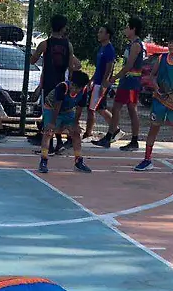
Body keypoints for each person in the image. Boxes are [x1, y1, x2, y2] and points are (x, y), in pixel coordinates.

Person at [134, 32, 173, 178]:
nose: (170, 45)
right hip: (160, 100)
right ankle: (147, 160)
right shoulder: (161, 58)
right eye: (169, 42)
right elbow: (152, 76)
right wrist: (156, 88)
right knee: (153, 129)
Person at [94, 17, 144, 151]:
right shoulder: (130, 44)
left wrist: (114, 78)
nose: (125, 30)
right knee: (117, 108)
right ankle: (109, 137)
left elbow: (129, 66)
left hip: (131, 82)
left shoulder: (136, 45)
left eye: (127, 27)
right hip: (126, 82)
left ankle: (134, 140)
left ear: (133, 29)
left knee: (131, 110)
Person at [29, 15, 78, 147]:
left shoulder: (44, 44)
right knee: (59, 111)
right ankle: (59, 141)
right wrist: (70, 84)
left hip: (48, 83)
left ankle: (49, 143)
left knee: (48, 112)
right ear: (63, 28)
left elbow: (32, 60)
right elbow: (71, 67)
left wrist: (32, 53)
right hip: (62, 83)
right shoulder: (68, 45)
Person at [38, 70, 93, 174]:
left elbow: (79, 108)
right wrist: (52, 123)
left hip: (68, 110)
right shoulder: (62, 87)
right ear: (71, 82)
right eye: (73, 86)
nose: (75, 90)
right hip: (52, 108)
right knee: (48, 132)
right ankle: (43, 161)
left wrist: (75, 124)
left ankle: (78, 161)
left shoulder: (84, 91)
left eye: (78, 88)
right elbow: (57, 106)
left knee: (76, 133)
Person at [81, 25, 117, 144]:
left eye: (101, 32)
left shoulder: (109, 49)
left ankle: (89, 133)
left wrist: (104, 83)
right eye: (99, 32)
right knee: (97, 108)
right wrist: (92, 79)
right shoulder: (102, 48)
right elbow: (99, 68)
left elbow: (109, 67)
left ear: (107, 35)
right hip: (97, 82)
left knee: (96, 108)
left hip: (101, 83)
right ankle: (114, 130)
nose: (98, 34)